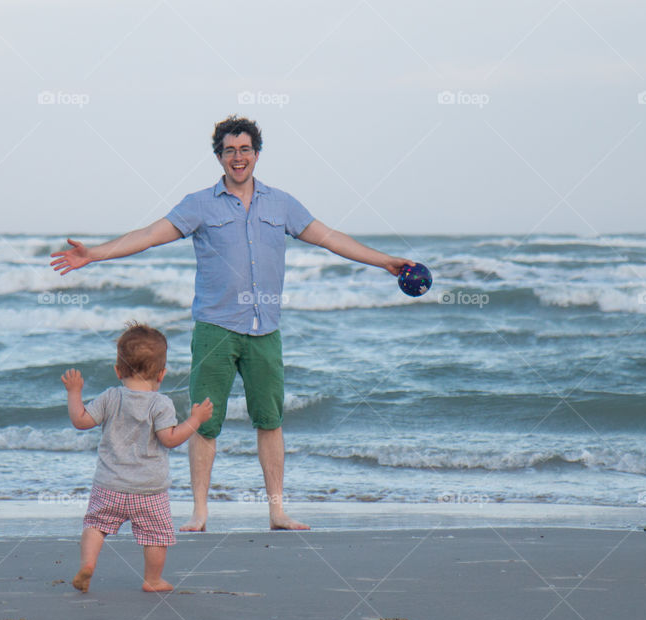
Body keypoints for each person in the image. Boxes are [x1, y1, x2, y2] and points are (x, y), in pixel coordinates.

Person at [51, 115, 414, 532]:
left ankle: (277, 511)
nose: (238, 157)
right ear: (219, 157)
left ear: (256, 154)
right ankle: (200, 512)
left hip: (266, 331)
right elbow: (150, 235)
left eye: (245, 149)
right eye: (229, 150)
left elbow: (331, 238)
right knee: (204, 420)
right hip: (215, 329)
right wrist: (94, 254)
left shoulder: (282, 204)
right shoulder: (199, 205)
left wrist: (384, 259)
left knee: (270, 420)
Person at [62, 323, 213, 592]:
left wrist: (75, 393)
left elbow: (81, 421)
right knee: (156, 536)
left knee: (96, 525)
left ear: (118, 370)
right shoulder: (161, 404)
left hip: (109, 485)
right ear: (162, 374)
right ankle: (152, 579)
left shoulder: (110, 397)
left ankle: (88, 565)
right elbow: (170, 439)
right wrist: (195, 420)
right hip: (149, 489)